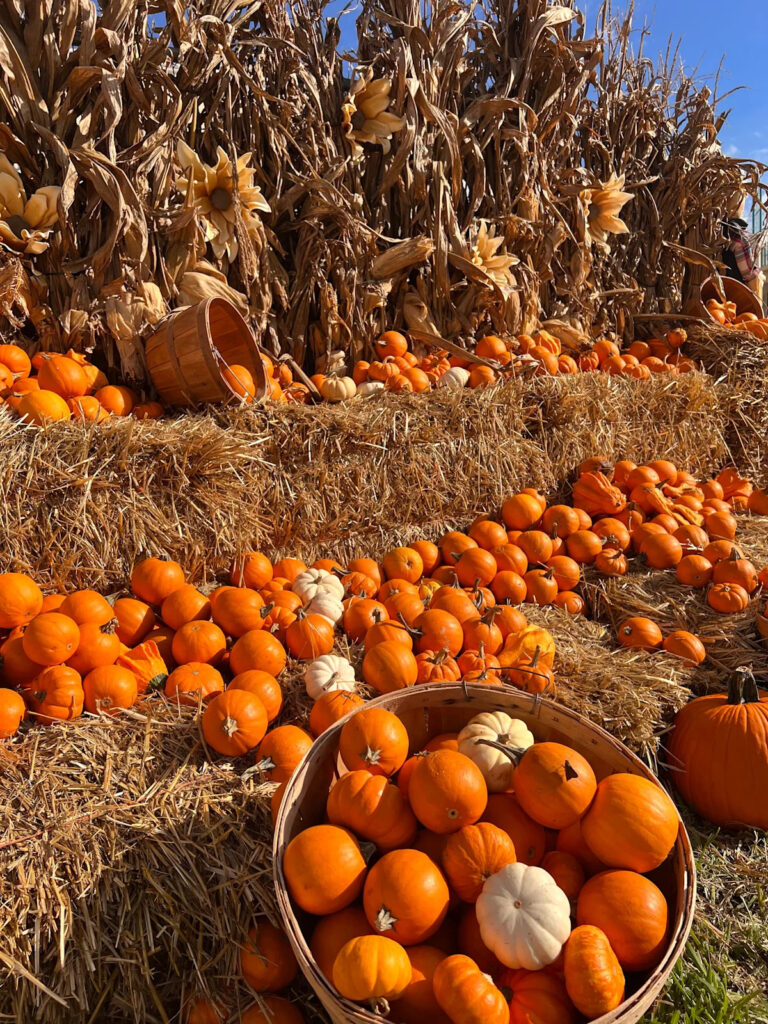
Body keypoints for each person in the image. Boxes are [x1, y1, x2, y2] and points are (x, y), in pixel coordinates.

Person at [721, 217, 764, 302]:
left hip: (714, 291)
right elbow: (750, 276)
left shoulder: (717, 230)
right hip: (736, 296)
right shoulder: (738, 236)